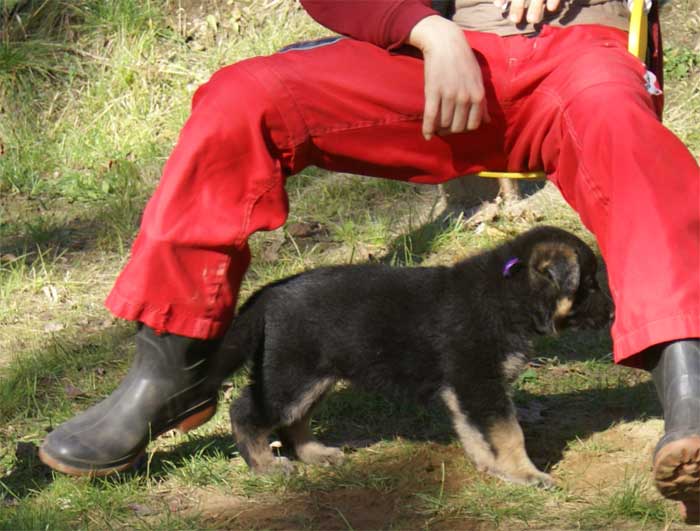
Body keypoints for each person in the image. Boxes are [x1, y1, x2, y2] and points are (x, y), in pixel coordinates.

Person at [39, 0, 699, 521]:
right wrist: (424, 29)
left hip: (581, 59)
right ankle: (170, 371)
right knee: (241, 99)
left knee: (629, 138)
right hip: (442, 59)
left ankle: (689, 388)